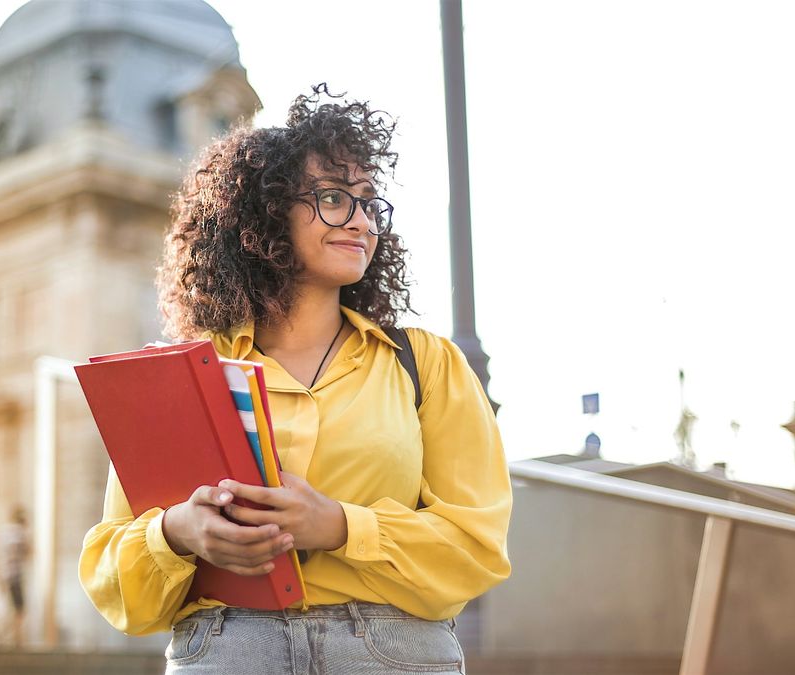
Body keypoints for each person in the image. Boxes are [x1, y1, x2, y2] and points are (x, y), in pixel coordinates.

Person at [79, 84, 512, 674]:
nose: (360, 220)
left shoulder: (426, 364)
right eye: (333, 197)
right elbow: (113, 580)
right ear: (265, 212)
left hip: (393, 653)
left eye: (369, 202)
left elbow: (477, 549)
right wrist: (179, 532)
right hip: (227, 650)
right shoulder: (181, 377)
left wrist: (339, 526)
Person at [0, 506, 31, 648]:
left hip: (5, 574)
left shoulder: (5, 532)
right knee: (19, 609)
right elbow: (28, 551)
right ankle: (17, 639)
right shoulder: (19, 533)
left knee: (11, 607)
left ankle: (12, 637)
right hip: (15, 575)